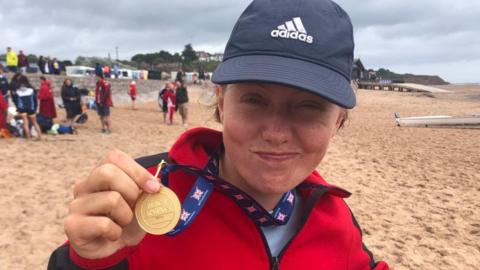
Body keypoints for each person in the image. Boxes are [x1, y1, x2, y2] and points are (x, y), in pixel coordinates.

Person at [48, 0, 389, 269]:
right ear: (223, 103)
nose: (275, 133)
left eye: (309, 106)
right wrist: (86, 263)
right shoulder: (137, 201)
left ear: (339, 121)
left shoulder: (336, 220)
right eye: (254, 99)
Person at [15, 75, 42, 139]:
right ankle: (40, 136)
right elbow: (35, 99)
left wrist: (18, 108)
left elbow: (17, 100)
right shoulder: (31, 90)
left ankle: (28, 137)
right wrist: (35, 107)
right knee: (35, 122)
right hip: (31, 108)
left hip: (22, 108)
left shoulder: (18, 91)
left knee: (25, 122)